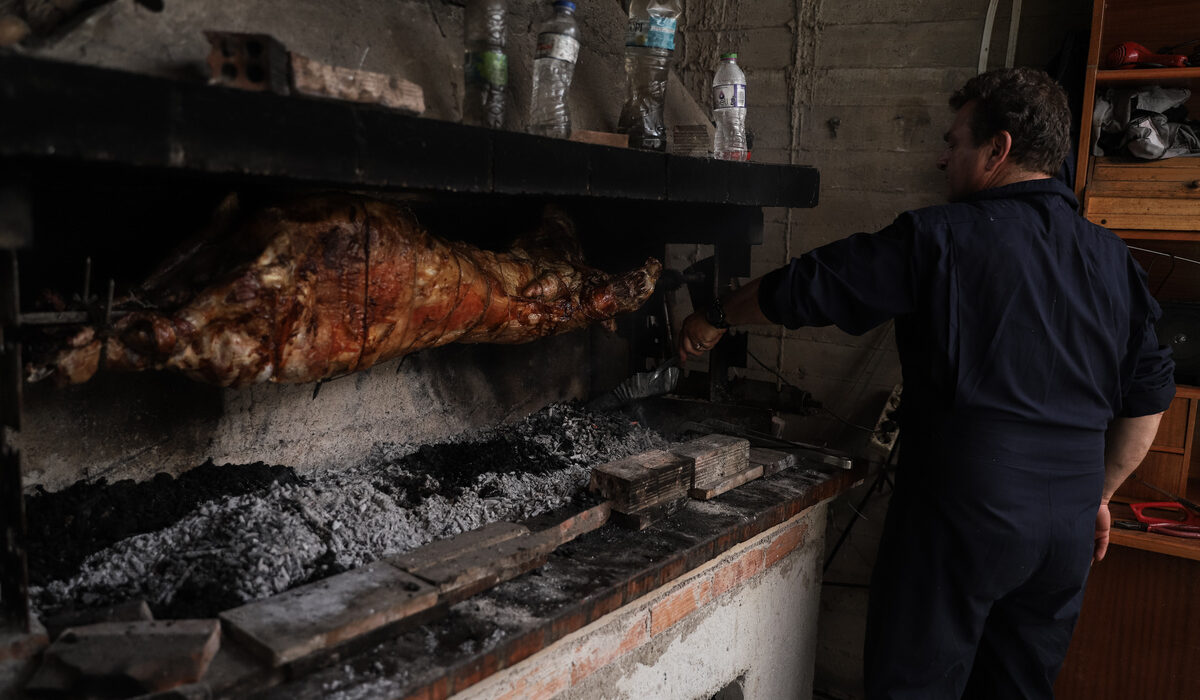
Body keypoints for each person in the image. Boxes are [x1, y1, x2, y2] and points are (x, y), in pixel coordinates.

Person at [677, 67, 1175, 699]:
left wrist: (716, 315)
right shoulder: (1115, 260)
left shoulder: (940, 239)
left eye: (955, 142)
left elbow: (811, 286)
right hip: (1068, 525)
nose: (943, 158)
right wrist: (1099, 494)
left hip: (965, 514)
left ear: (996, 150)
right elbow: (1152, 393)